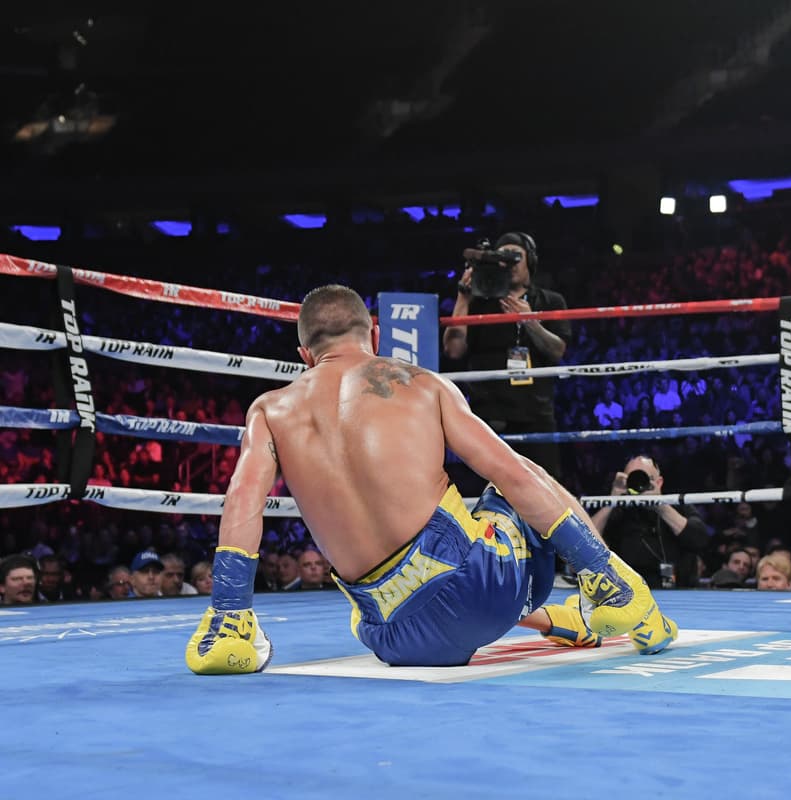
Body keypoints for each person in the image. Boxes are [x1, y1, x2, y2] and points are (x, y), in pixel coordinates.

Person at [186, 285, 675, 675]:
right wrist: (602, 563)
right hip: (482, 594)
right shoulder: (422, 384)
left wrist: (230, 613)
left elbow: (242, 504)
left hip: (393, 639)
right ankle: (615, 589)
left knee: (375, 596)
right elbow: (512, 473)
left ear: (304, 354)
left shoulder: (270, 409)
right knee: (520, 477)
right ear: (373, 336)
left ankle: (230, 627)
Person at [442, 232, 570, 480]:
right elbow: (453, 350)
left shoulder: (551, 300)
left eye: (515, 257)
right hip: (488, 415)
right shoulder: (477, 304)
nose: (509, 264)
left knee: (545, 489)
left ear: (531, 261)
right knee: (486, 493)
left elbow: (558, 350)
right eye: (503, 258)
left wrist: (531, 322)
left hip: (535, 414)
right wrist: (462, 297)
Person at [590, 455, 710, 589]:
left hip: (681, 590)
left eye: (643, 478)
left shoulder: (676, 505)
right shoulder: (618, 511)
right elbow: (584, 542)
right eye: (632, 478)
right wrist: (612, 500)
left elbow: (700, 539)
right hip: (630, 594)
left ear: (658, 482)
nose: (638, 483)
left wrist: (661, 507)